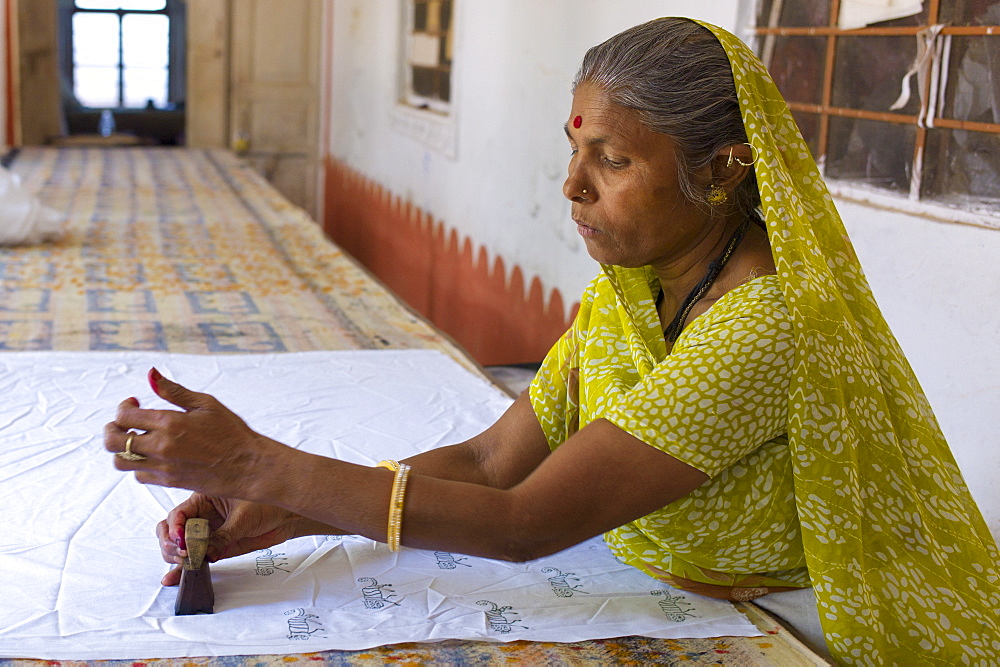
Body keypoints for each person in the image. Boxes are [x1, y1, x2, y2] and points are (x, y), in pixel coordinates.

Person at [105, 18, 999, 664]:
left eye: (612, 160)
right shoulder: (633, 289)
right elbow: (495, 462)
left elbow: (526, 522)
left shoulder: (763, 321)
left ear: (723, 169)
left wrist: (262, 465)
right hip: (662, 580)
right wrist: (274, 518)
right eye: (576, 152)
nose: (572, 185)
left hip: (790, 622)